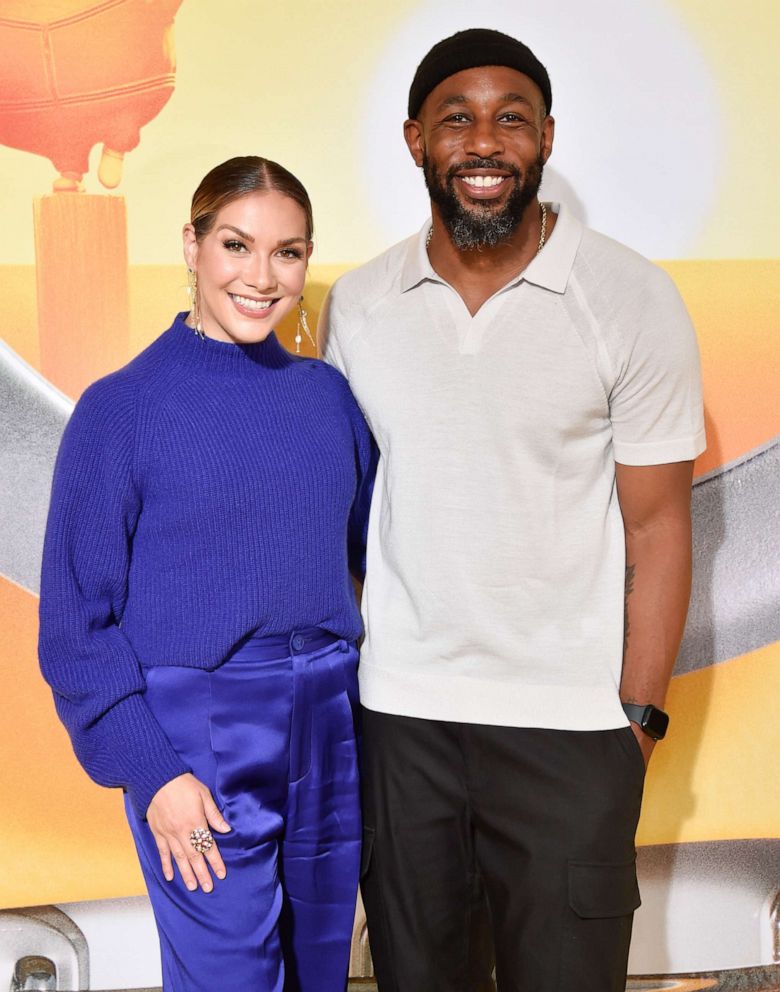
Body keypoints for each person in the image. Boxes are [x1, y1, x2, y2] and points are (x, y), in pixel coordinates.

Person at [319, 28, 705, 992]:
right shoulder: (360, 307)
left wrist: (639, 720)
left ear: (546, 140)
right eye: (457, 118)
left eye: (511, 120)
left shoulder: (631, 299)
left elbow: (660, 526)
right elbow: (350, 513)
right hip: (404, 722)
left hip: (572, 733)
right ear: (416, 140)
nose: (484, 142)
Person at [38, 155, 374, 992]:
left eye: (288, 253)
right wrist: (153, 772)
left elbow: (377, 556)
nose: (261, 278)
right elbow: (75, 629)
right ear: (190, 245)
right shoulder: (120, 409)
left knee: (320, 972)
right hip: (203, 738)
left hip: (333, 721)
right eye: (236, 245)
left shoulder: (326, 397)